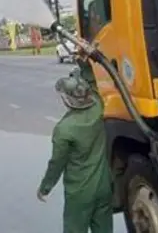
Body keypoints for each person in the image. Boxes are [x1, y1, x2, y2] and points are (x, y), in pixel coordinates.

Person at [37, 53, 113, 233]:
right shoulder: (97, 106)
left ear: (68, 100)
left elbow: (57, 163)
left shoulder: (64, 129)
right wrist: (83, 60)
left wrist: (45, 188)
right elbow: (92, 81)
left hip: (80, 192)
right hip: (104, 187)